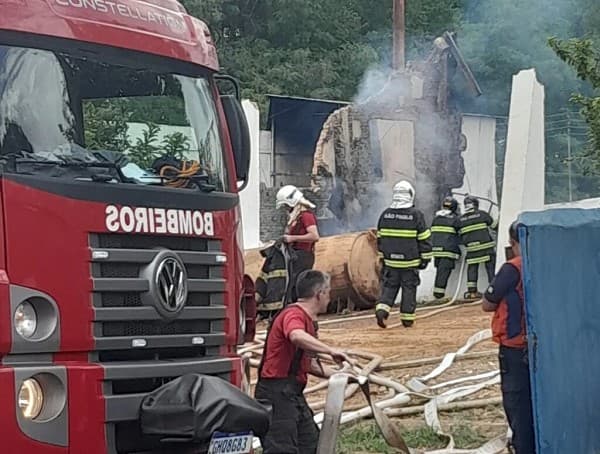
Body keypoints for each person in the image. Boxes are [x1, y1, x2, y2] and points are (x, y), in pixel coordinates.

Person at [254, 270, 352, 454]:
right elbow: (296, 336)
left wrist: (345, 375)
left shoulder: (308, 321)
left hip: (292, 394)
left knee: (311, 445)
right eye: (328, 292)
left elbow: (311, 365)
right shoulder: (294, 315)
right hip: (276, 395)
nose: (329, 298)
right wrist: (330, 350)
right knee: (282, 449)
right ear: (319, 294)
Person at [482, 220, 535, 454]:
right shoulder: (545, 264)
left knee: (517, 400)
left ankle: (524, 448)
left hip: (514, 345)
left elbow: (487, 303)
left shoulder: (513, 268)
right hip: (542, 345)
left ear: (514, 243)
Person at [374, 180, 432, 328]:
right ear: (410, 195)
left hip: (391, 262)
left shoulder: (385, 215)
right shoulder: (415, 215)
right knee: (409, 288)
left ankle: (382, 309)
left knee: (390, 287)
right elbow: (424, 239)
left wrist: (384, 257)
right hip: (410, 262)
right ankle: (407, 318)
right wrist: (425, 259)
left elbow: (380, 240)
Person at [276, 185, 320, 304]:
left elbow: (314, 236)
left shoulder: (306, 216)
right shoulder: (297, 217)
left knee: (297, 286)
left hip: (303, 256)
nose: (286, 208)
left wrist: (292, 238)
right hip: (295, 256)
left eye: (286, 205)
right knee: (291, 285)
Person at [458, 195, 498, 299]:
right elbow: (495, 226)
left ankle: (472, 292)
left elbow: (458, 234)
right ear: (476, 205)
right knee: (490, 268)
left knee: (472, 268)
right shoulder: (482, 214)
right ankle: (493, 289)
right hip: (486, 248)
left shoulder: (460, 219)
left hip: (471, 250)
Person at [430, 196, 462, 302]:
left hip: (436, 250)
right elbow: (462, 233)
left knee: (440, 271)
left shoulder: (436, 218)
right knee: (443, 273)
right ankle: (438, 295)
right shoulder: (455, 219)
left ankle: (438, 293)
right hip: (448, 250)